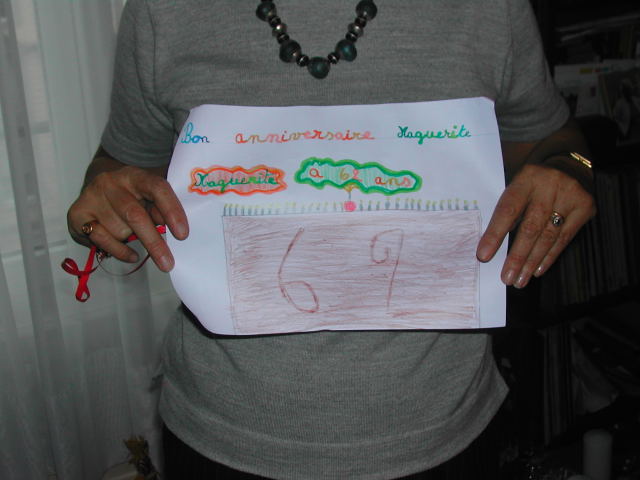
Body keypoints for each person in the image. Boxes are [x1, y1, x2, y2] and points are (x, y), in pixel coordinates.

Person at [67, 0, 596, 478]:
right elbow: (119, 163)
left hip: (443, 431)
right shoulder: (164, 11)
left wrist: (573, 168)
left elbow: (559, 138)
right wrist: (101, 201)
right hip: (222, 436)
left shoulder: (490, 9)